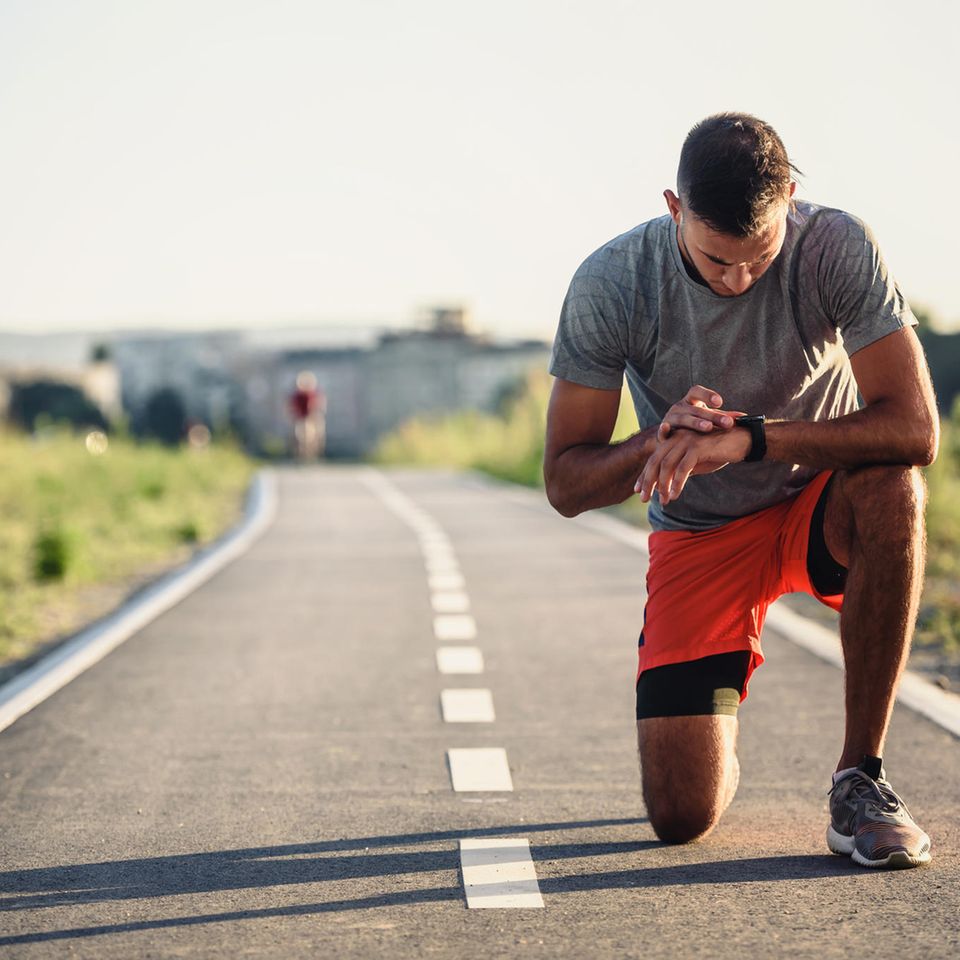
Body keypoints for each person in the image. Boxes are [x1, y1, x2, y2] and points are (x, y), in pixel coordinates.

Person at [544, 113, 939, 869]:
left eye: (757, 257)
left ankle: (862, 777)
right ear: (674, 209)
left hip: (817, 506)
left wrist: (752, 436)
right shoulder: (612, 280)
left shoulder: (836, 246)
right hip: (700, 533)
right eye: (716, 259)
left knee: (894, 486)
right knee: (680, 816)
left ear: (790, 198)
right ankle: (715, 699)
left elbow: (916, 430)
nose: (738, 280)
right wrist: (653, 442)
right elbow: (566, 482)